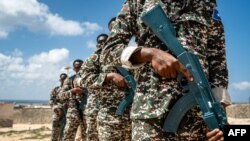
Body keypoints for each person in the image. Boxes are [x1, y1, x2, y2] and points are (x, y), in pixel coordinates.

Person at [101, 0, 231, 141]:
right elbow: (109, 51)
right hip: (150, 117)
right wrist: (149, 54)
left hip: (200, 117)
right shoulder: (138, 2)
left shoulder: (207, 3)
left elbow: (218, 61)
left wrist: (219, 114)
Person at [79, 33, 132, 141]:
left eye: (106, 41)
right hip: (108, 115)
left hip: (130, 114)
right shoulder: (95, 58)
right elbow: (85, 80)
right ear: (97, 45)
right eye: (100, 42)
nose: (103, 44)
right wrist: (109, 76)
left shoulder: (124, 56)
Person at [58, 59, 87, 141]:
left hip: (88, 113)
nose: (79, 70)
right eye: (77, 68)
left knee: (88, 137)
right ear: (74, 69)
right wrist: (73, 91)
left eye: (81, 67)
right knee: (68, 136)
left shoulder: (91, 78)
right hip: (74, 112)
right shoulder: (70, 80)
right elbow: (60, 95)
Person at [49, 73, 68, 141]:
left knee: (66, 134)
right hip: (58, 114)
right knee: (55, 133)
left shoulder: (70, 89)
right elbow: (51, 101)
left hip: (67, 113)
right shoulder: (56, 89)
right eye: (62, 79)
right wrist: (57, 108)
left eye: (65, 79)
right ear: (60, 80)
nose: (63, 81)